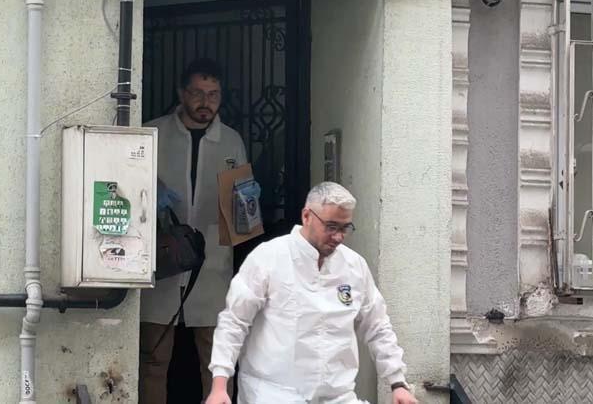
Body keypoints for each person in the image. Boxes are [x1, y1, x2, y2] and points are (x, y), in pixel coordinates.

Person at [206, 182, 418, 404]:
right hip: (273, 393)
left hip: (337, 395)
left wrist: (397, 383)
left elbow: (377, 326)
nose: (338, 236)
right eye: (331, 226)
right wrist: (219, 385)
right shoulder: (269, 258)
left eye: (345, 228)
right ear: (307, 216)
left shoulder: (354, 266)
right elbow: (234, 322)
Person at [139, 58, 246, 403]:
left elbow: (243, 222)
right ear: (181, 93)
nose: (205, 102)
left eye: (213, 94)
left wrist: (246, 204)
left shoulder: (231, 141)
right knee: (153, 359)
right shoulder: (152, 133)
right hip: (161, 260)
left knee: (217, 364)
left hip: (211, 265)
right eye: (198, 93)